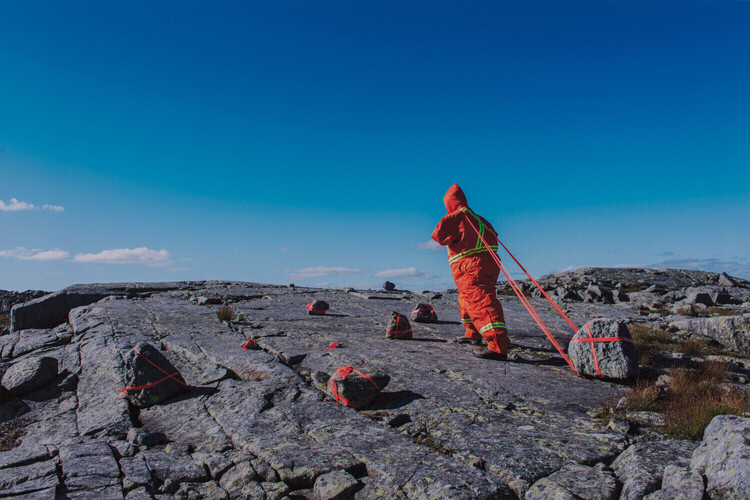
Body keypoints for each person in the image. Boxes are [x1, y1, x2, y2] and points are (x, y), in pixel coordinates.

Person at [431, 184, 510, 360]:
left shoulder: (458, 217)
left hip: (470, 266)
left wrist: (450, 218)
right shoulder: (481, 219)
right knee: (466, 299)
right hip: (488, 264)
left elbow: (438, 235)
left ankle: (497, 344)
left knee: (479, 300)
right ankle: (472, 334)